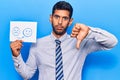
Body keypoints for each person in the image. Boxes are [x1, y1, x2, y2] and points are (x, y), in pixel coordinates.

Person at [10, 1, 118, 80]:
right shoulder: (37, 44)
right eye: (57, 17)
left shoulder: (81, 42)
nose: (60, 22)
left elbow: (112, 42)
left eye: (65, 18)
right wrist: (16, 56)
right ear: (50, 18)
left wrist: (90, 31)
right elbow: (27, 75)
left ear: (70, 21)